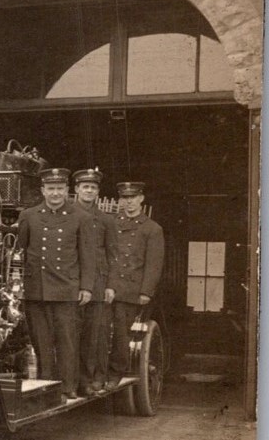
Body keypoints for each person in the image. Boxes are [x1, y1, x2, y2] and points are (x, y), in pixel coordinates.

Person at [16, 168, 102, 399]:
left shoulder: (80, 217)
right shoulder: (29, 215)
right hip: (37, 289)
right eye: (51, 189)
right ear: (43, 190)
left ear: (67, 191)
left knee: (67, 341)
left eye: (59, 189)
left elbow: (87, 256)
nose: (55, 193)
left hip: (66, 289)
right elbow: (20, 251)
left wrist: (86, 287)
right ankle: (46, 386)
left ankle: (68, 387)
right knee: (41, 341)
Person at [104, 181, 165, 391]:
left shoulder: (152, 229)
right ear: (120, 200)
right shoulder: (110, 223)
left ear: (141, 199)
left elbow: (154, 264)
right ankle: (96, 371)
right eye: (125, 198)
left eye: (133, 198)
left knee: (121, 332)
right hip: (107, 286)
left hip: (129, 290)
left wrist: (146, 291)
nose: (129, 203)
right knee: (99, 330)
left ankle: (115, 372)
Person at [72, 168, 114, 394]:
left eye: (93, 187)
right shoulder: (67, 214)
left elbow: (111, 254)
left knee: (93, 335)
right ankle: (71, 379)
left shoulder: (106, 220)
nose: (89, 190)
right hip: (70, 281)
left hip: (97, 285)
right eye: (85, 186)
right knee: (71, 334)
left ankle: (88, 381)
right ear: (76, 189)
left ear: (98, 192)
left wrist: (110, 285)